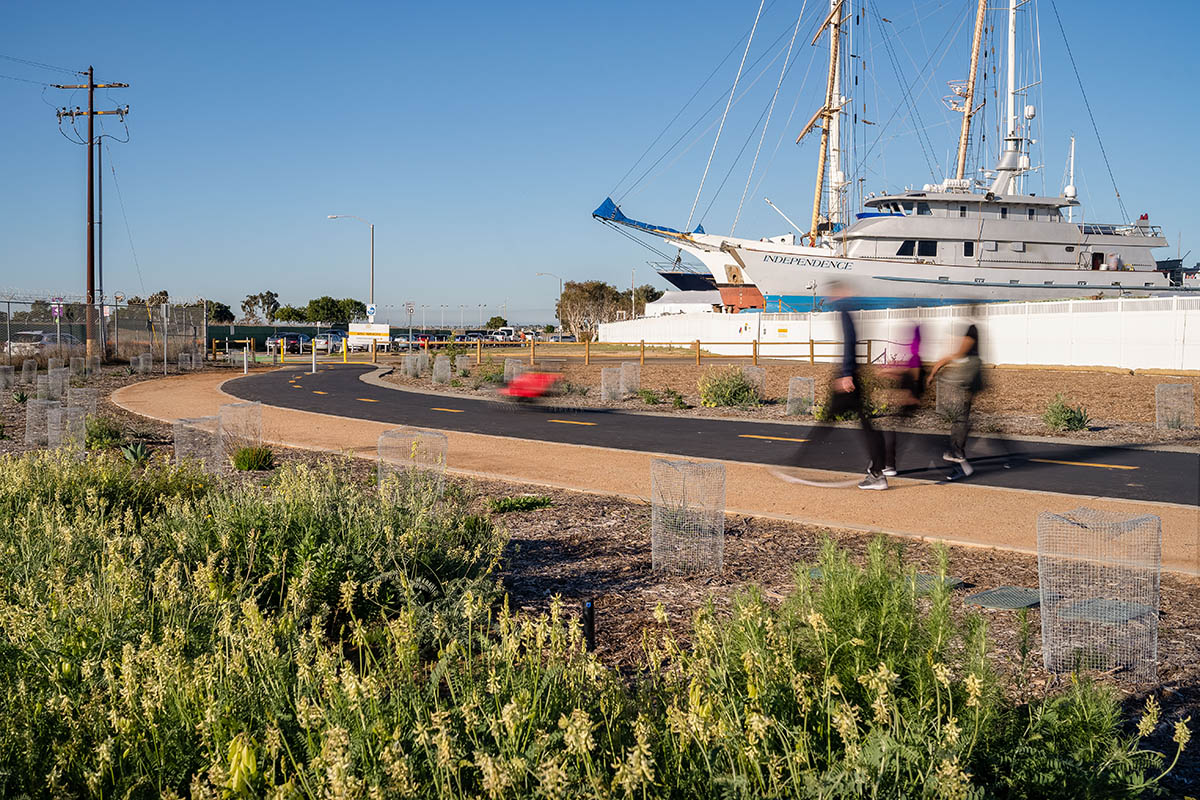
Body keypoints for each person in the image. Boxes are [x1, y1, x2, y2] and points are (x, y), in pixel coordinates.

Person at [797, 281, 888, 490]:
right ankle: (877, 472)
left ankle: (799, 462)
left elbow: (850, 342)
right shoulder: (848, 310)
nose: (830, 297)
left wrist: (846, 374)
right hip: (851, 375)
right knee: (862, 423)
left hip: (849, 377)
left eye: (833, 293)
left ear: (841, 293)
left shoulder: (845, 311)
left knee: (831, 422)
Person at [927, 317, 984, 478]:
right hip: (970, 379)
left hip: (969, 380)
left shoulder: (971, 328)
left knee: (960, 420)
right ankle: (961, 463)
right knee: (961, 419)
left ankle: (958, 456)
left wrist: (936, 368)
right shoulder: (971, 328)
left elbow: (959, 353)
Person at [878, 324, 925, 476]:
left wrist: (910, 396)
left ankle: (888, 465)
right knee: (893, 432)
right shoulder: (914, 359)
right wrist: (889, 372)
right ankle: (887, 463)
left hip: (909, 401)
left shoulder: (916, 359)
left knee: (891, 432)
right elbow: (906, 373)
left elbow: (914, 377)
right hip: (907, 399)